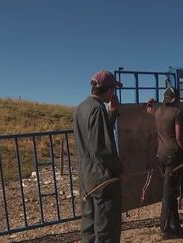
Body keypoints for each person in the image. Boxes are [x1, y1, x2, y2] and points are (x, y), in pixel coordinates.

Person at [73, 70, 124, 243]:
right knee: (106, 228)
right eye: (113, 89)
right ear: (107, 89)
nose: (114, 93)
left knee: (89, 224)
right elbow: (102, 148)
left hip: (86, 176)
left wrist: (113, 114)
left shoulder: (80, 108)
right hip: (102, 179)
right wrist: (118, 169)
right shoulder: (98, 109)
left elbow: (93, 136)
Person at [152, 87, 183, 240]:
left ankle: (175, 226)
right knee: (169, 192)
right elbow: (179, 137)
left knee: (171, 190)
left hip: (161, 154)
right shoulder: (177, 113)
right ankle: (164, 229)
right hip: (173, 156)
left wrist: (151, 104)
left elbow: (150, 109)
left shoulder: (158, 112)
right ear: (175, 99)